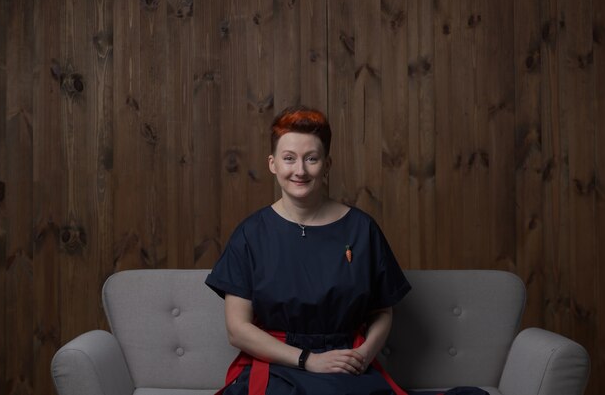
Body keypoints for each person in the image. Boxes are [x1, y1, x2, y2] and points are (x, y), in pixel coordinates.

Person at [205, 106, 486, 395]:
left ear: (327, 165)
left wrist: (364, 355)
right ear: (273, 163)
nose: (300, 170)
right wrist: (308, 360)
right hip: (278, 365)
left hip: (343, 365)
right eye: (289, 159)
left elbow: (382, 312)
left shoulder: (361, 229)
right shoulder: (250, 234)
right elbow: (237, 329)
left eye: (311, 159)